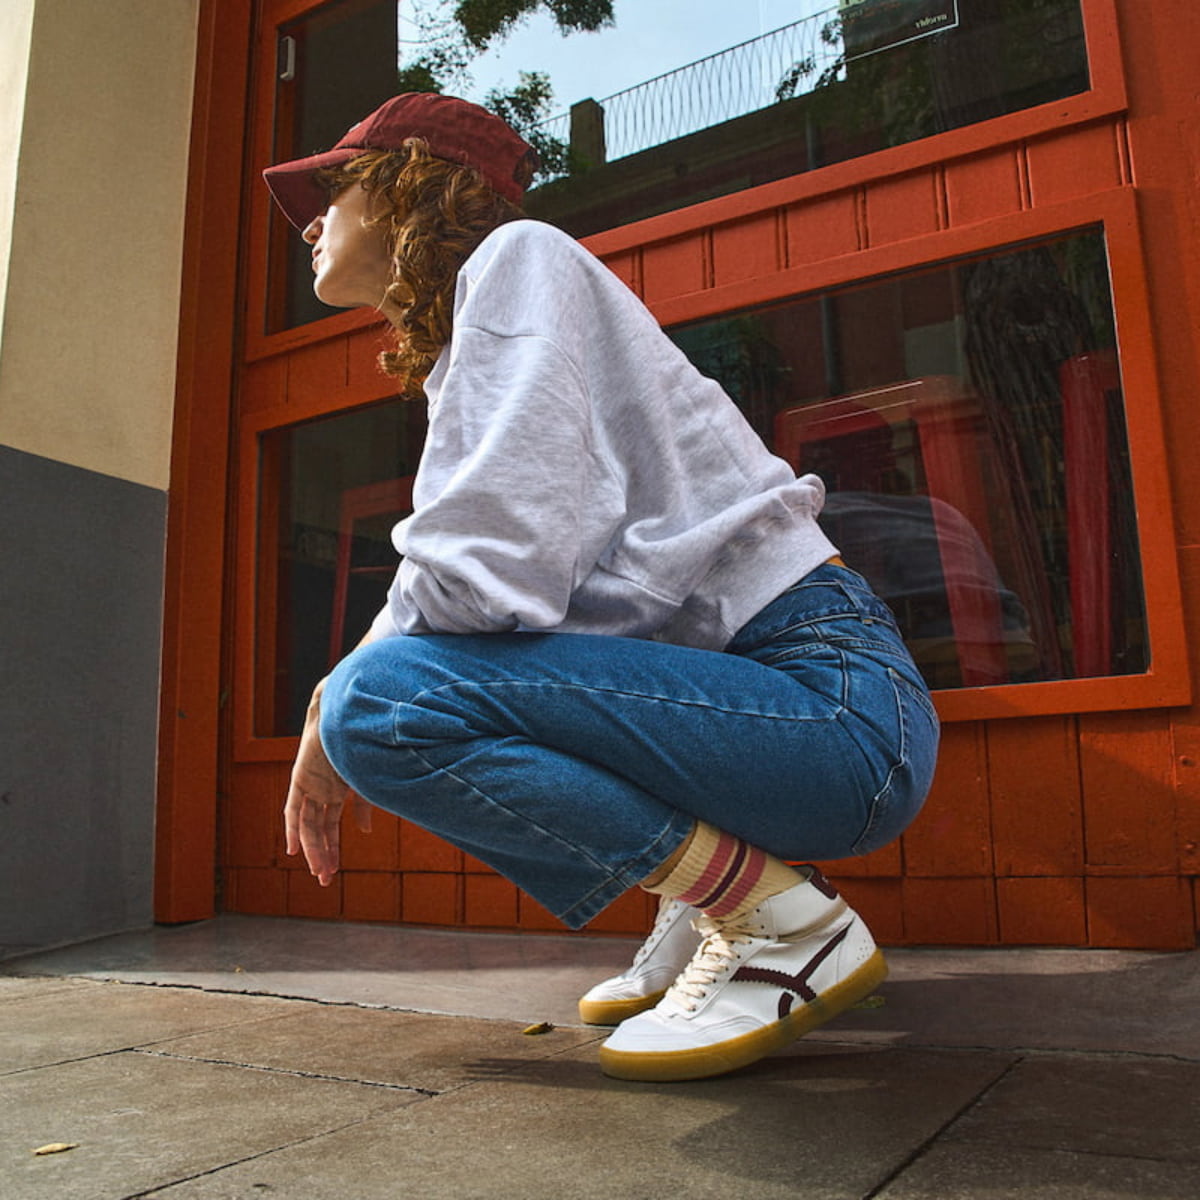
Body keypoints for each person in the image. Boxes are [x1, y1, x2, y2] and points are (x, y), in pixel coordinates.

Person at [264, 93, 939, 1082]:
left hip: (832, 707)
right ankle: (715, 895)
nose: (312, 219)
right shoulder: (491, 324)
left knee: (384, 705)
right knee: (394, 682)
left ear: (414, 181)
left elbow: (494, 567)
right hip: (793, 715)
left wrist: (335, 702)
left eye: (335, 186)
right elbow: (518, 580)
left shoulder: (518, 258)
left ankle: (776, 921)